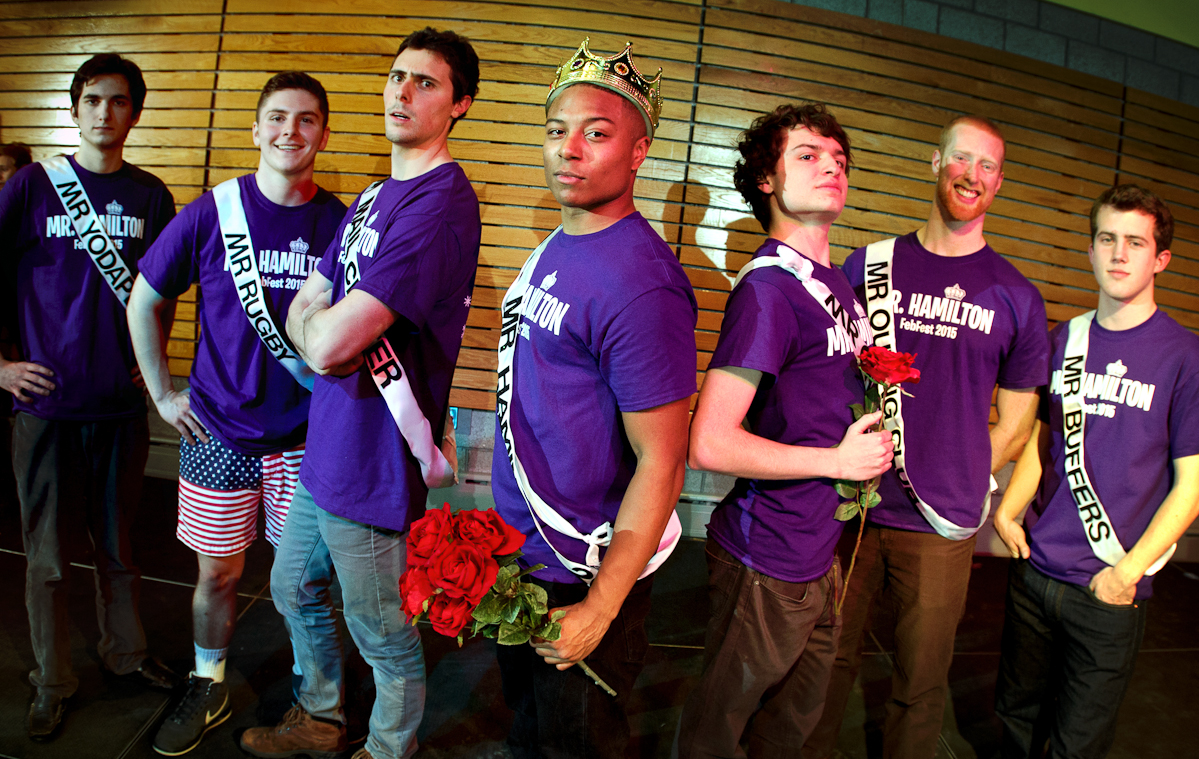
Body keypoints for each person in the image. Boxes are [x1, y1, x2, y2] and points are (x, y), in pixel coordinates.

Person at [238, 27, 480, 759]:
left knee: (382, 631)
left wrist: (321, 329)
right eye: (397, 76)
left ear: (459, 104)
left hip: (374, 462)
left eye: (426, 83)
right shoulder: (377, 194)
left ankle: (385, 748)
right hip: (328, 444)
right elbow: (304, 310)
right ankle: (318, 715)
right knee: (291, 586)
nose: (402, 92)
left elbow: (332, 342)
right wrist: (320, 327)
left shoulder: (438, 205)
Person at [806, 115, 1050, 759]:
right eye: (962, 159)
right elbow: (830, 376)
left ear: (998, 183)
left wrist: (962, 472)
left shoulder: (1017, 298)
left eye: (988, 166)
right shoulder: (871, 264)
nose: (972, 175)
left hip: (943, 524)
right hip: (850, 509)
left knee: (920, 686)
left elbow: (1020, 423)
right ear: (934, 162)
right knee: (824, 665)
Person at [490, 39, 697, 759]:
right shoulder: (559, 240)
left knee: (577, 742)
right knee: (528, 727)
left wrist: (600, 605)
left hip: (580, 567)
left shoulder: (643, 283)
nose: (568, 149)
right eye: (556, 130)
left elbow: (663, 461)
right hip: (523, 551)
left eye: (596, 133)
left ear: (637, 153)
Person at [127, 71, 345, 756]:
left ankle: (314, 706)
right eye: (277, 117)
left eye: (306, 119)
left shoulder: (340, 223)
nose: (290, 131)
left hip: (307, 436)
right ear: (255, 129)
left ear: (323, 134)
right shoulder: (212, 211)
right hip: (219, 429)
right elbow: (143, 299)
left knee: (302, 583)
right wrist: (163, 393)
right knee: (216, 575)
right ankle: (209, 680)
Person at [674, 102, 891, 758]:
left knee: (790, 725)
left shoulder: (837, 284)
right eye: (807, 155)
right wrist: (835, 461)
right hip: (765, 555)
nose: (830, 166)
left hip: (818, 549)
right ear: (765, 180)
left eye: (838, 160)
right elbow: (708, 441)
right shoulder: (769, 289)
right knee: (719, 726)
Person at [0, 53, 179, 742]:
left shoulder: (151, 196)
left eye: (120, 101)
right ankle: (52, 678)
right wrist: (2, 369)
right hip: (43, 408)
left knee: (118, 546)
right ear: (74, 107)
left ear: (135, 113)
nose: (106, 112)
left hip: (116, 408)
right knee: (45, 556)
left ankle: (125, 653)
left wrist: (152, 362)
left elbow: (157, 292)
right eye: (94, 99)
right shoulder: (32, 187)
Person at [992, 184, 1199, 759]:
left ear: (1160, 259)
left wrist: (1125, 575)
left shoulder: (1185, 356)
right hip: (1036, 574)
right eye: (1107, 238)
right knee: (1014, 720)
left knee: (1076, 746)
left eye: (1136, 242)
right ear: (1090, 249)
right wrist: (1008, 511)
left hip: (1109, 588)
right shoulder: (1065, 339)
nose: (1118, 254)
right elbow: (1043, 438)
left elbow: (1193, 486)